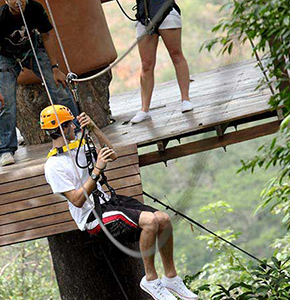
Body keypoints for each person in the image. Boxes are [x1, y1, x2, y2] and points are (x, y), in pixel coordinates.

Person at [42, 105, 198, 300]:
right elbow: (77, 200)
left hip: (107, 201)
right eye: (71, 125)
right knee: (150, 221)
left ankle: (171, 277)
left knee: (163, 219)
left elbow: (113, 154)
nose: (75, 127)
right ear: (63, 128)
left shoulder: (79, 147)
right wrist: (97, 170)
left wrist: (94, 128)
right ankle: (150, 279)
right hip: (92, 216)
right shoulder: (54, 166)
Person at [0, 0, 79, 166]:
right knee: (6, 102)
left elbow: (46, 37)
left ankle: (77, 129)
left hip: (32, 50)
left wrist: (55, 68)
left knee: (58, 87)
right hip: (7, 57)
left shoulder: (35, 9)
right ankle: (6, 149)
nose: (18, 1)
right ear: (5, 0)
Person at [124, 0, 194, 124]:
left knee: (176, 54)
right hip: (145, 14)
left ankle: (185, 99)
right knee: (146, 64)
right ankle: (144, 109)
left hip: (164, 9)